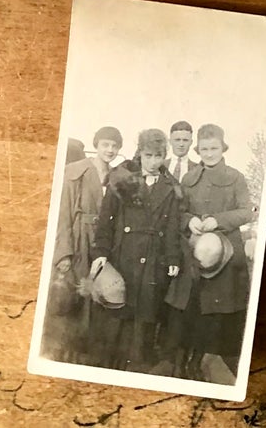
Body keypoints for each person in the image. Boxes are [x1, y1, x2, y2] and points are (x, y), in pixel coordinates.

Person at [90, 128, 183, 374]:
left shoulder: (171, 187)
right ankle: (109, 363)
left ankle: (137, 366)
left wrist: (173, 257)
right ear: (140, 153)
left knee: (147, 310)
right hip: (124, 254)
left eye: (159, 156)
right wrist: (101, 252)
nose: (153, 162)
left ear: (165, 156)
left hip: (155, 258)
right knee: (119, 307)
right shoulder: (121, 179)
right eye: (149, 156)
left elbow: (173, 225)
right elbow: (105, 220)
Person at [165, 123, 254, 380]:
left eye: (214, 148)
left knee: (217, 314)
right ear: (198, 149)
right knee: (191, 309)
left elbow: (247, 211)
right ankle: (186, 363)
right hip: (195, 255)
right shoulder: (189, 179)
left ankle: (207, 363)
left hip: (226, 258)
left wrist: (219, 220)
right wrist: (188, 219)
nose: (209, 153)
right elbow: (178, 212)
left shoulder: (236, 177)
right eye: (204, 148)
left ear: (223, 147)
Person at [51, 126, 121, 363]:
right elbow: (63, 215)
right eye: (105, 145)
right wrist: (64, 253)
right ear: (96, 145)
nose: (109, 150)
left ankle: (84, 356)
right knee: (72, 296)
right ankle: (62, 353)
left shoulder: (115, 177)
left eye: (114, 146)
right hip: (79, 239)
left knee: (96, 297)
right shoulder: (75, 172)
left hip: (101, 244)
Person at [167, 120, 196, 185]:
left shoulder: (197, 169)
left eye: (185, 140)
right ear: (170, 141)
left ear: (191, 142)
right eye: (177, 140)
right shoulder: (160, 166)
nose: (181, 144)